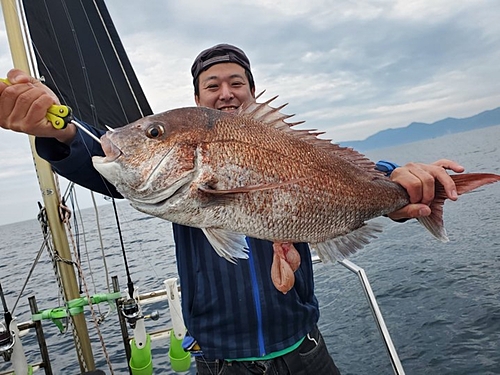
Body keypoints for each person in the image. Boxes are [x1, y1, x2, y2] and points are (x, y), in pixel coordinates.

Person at [0, 44, 464, 374]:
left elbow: (338, 170)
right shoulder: (173, 179)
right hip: (219, 361)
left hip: (304, 350)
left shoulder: (281, 142)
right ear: (199, 99)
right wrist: (58, 133)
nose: (226, 92)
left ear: (251, 93)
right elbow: (97, 162)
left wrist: (399, 180)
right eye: (212, 85)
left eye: (236, 82)